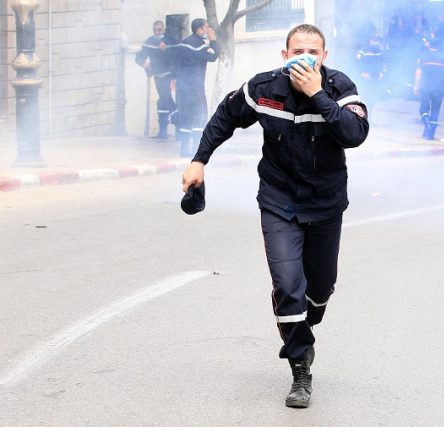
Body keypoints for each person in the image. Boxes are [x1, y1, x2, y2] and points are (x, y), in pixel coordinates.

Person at [181, 24, 369, 409]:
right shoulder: (265, 88)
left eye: (313, 52)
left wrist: (316, 94)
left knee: (319, 290)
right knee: (287, 286)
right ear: (284, 56)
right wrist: (199, 160)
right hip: (279, 199)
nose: (305, 58)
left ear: (324, 57)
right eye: (297, 51)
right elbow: (225, 117)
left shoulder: (339, 87)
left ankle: (303, 322)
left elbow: (355, 133)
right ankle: (301, 368)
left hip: (326, 204)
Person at [173, 18, 219, 157]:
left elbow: (175, 62)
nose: (208, 30)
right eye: (206, 27)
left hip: (182, 86)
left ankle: (184, 149)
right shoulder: (199, 45)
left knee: (185, 116)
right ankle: (195, 148)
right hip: (195, 87)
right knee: (201, 114)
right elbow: (213, 56)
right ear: (199, 29)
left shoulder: (183, 43)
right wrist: (214, 40)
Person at [135, 20, 177, 140]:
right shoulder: (150, 41)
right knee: (162, 102)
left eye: (159, 30)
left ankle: (180, 124)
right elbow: (139, 56)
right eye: (155, 30)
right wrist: (144, 63)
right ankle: (163, 132)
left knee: (166, 99)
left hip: (169, 75)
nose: (157, 32)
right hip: (157, 75)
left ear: (164, 30)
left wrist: (166, 50)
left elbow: (177, 55)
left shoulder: (170, 41)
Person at [414, 36, 444, 140]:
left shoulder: (423, 56)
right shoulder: (443, 58)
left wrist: (416, 86)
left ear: (429, 45)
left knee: (423, 109)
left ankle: (427, 124)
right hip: (438, 88)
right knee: (435, 110)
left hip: (425, 87)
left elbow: (418, 73)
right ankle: (430, 134)